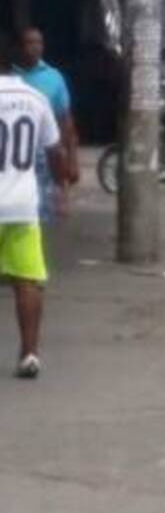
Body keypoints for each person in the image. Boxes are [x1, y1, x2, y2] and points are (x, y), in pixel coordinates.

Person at [0, 37, 69, 378]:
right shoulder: (35, 98)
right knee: (27, 279)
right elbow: (55, 150)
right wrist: (60, 187)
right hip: (22, 205)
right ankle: (29, 354)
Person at [14, 28, 79, 220]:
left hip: (46, 156)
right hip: (14, 157)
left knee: (44, 216)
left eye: (39, 42)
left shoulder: (54, 77)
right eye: (29, 42)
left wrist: (72, 159)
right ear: (19, 47)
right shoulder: (9, 76)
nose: (35, 47)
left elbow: (65, 121)